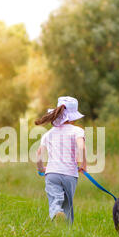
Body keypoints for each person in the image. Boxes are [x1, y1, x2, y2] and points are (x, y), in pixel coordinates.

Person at [35, 96, 87, 224]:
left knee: (55, 200)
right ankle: (67, 231)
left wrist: (41, 169)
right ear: (74, 117)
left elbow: (39, 153)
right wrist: (83, 164)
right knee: (68, 204)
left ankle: (56, 212)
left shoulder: (48, 134)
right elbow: (81, 147)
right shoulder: (77, 131)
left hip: (52, 173)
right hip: (70, 174)